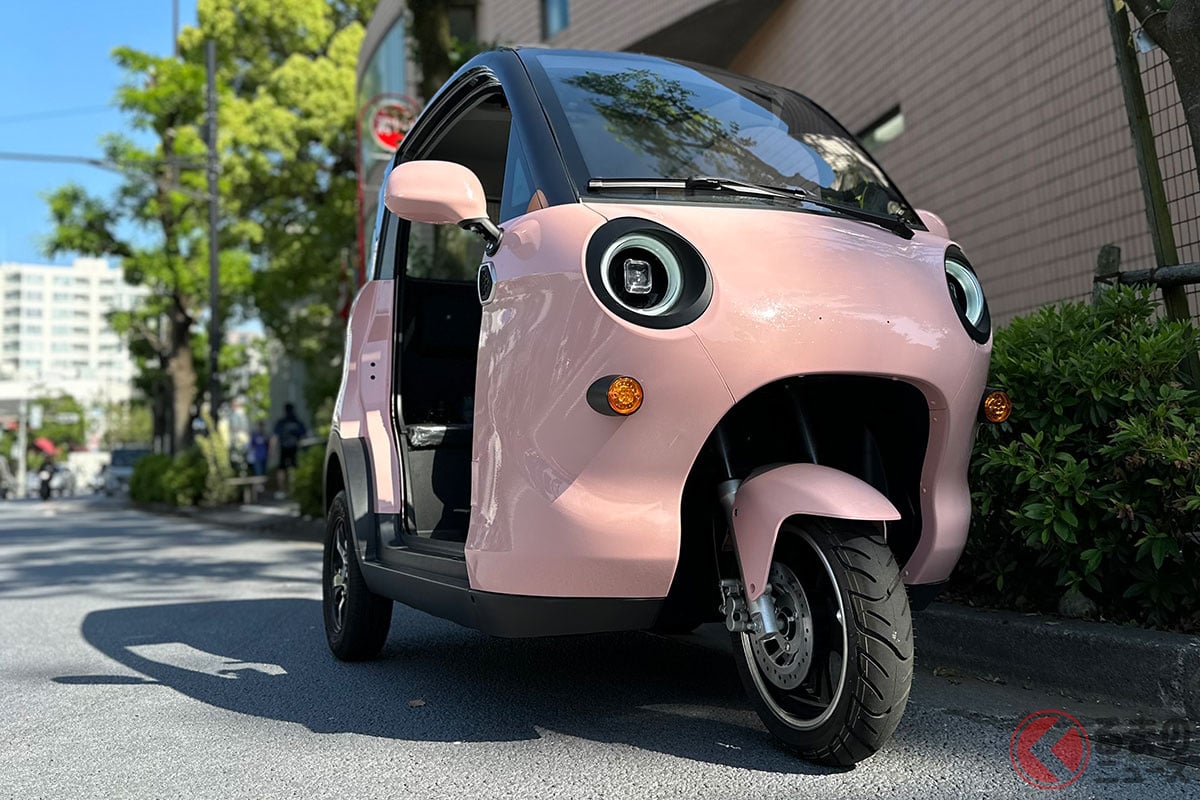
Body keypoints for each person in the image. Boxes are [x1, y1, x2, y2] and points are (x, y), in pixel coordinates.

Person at [272, 403, 307, 496]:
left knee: (281, 469)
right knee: (293, 469)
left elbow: (274, 437)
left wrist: (272, 451)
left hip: (284, 448)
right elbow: (304, 436)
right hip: (294, 448)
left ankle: (281, 490)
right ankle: (293, 490)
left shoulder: (282, 422)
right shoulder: (297, 422)